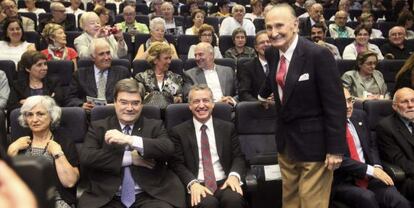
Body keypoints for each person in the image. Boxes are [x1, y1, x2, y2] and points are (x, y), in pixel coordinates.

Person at [258, 4, 347, 208]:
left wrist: (335, 149)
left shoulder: (318, 55)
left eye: (279, 25)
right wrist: (261, 97)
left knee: (311, 203)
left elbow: (335, 105)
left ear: (295, 24)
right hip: (286, 145)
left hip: (316, 147)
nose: (273, 32)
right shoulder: (272, 53)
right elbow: (274, 79)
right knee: (290, 202)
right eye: (268, 27)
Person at [78, 78, 185, 208]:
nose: (130, 108)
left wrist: (130, 139)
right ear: (115, 103)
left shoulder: (154, 125)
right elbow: (87, 157)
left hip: (150, 195)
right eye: (124, 102)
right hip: (108, 196)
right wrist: (130, 158)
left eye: (135, 103)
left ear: (141, 104)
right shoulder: (98, 127)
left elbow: (168, 148)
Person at [169, 84, 247, 208]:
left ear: (213, 104)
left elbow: (239, 157)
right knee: (208, 204)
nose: (201, 105)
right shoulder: (178, 132)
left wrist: (234, 176)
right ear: (190, 106)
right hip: (197, 184)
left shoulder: (227, 128)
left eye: (205, 100)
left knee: (234, 200)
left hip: (225, 182)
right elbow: (176, 164)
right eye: (196, 101)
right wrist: (192, 183)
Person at [332, 88, 411, 208]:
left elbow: (371, 145)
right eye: (341, 102)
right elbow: (338, 159)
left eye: (349, 100)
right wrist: (371, 170)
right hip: (343, 180)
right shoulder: (324, 125)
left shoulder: (360, 116)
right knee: (368, 198)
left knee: (399, 201)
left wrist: (377, 166)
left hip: (369, 177)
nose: (348, 106)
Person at [7, 95, 80, 207]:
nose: (34, 119)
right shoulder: (19, 144)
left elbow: (70, 182)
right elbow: (5, 182)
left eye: (40, 114)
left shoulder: (64, 142)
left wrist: (58, 153)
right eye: (29, 115)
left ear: (51, 116)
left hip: (55, 201)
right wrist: (11, 151)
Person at [66, 38, 130, 110]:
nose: (107, 57)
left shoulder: (122, 72)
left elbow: (129, 95)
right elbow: (70, 98)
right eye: (101, 54)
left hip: (114, 113)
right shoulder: (80, 74)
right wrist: (81, 105)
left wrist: (117, 104)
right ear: (92, 57)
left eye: (108, 53)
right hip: (89, 115)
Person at [376, 87, 414, 200]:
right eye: (404, 102)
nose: (411, 105)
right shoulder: (386, 127)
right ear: (394, 106)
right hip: (408, 178)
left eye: (413, 100)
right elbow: (399, 161)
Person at [134, 42, 183, 109]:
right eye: (166, 58)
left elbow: (179, 99)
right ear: (155, 60)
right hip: (149, 114)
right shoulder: (141, 77)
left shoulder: (176, 77)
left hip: (170, 115)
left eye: (170, 58)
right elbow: (138, 99)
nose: (169, 62)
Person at [237, 30, 270, 101]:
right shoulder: (247, 67)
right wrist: (260, 103)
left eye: (268, 41)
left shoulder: (281, 63)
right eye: (262, 42)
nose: (266, 44)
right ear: (256, 47)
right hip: (259, 108)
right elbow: (243, 93)